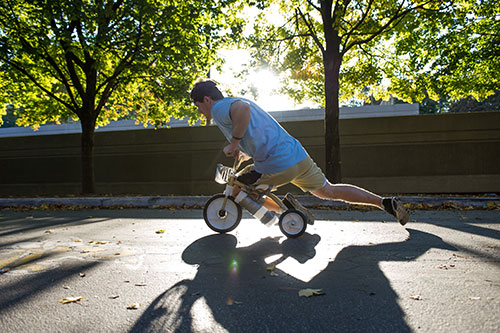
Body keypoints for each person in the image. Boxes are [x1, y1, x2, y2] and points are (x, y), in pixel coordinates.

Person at [190, 79, 410, 226]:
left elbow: (242, 111)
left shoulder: (219, 108)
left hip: (275, 162)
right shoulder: (234, 102)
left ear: (207, 100)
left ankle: (287, 212)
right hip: (296, 155)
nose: (200, 111)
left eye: (198, 105)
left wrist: (234, 142)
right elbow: (255, 128)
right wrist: (244, 150)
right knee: (327, 190)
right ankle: (384, 202)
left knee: (239, 190)